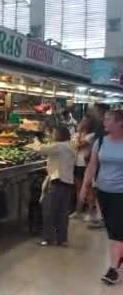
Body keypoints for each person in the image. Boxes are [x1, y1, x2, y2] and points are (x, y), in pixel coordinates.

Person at [80, 110, 123, 285]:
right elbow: (92, 166)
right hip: (104, 192)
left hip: (121, 193)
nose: (104, 122)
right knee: (114, 229)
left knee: (116, 232)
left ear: (120, 123)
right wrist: (85, 186)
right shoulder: (101, 141)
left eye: (108, 119)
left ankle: (113, 269)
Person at [30, 126, 75, 247]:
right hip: (67, 183)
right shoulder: (70, 146)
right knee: (63, 213)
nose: (52, 135)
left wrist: (35, 140)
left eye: (54, 133)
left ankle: (47, 238)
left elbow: (41, 149)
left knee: (49, 211)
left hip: (56, 182)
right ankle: (62, 239)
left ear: (59, 135)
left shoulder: (59, 146)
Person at [70, 117, 96, 221]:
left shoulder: (91, 136)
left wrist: (78, 136)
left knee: (88, 190)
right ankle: (78, 211)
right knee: (78, 189)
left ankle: (90, 212)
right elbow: (72, 146)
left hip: (86, 165)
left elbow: (78, 145)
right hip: (77, 164)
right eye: (81, 122)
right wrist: (78, 136)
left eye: (84, 122)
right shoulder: (77, 135)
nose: (81, 124)